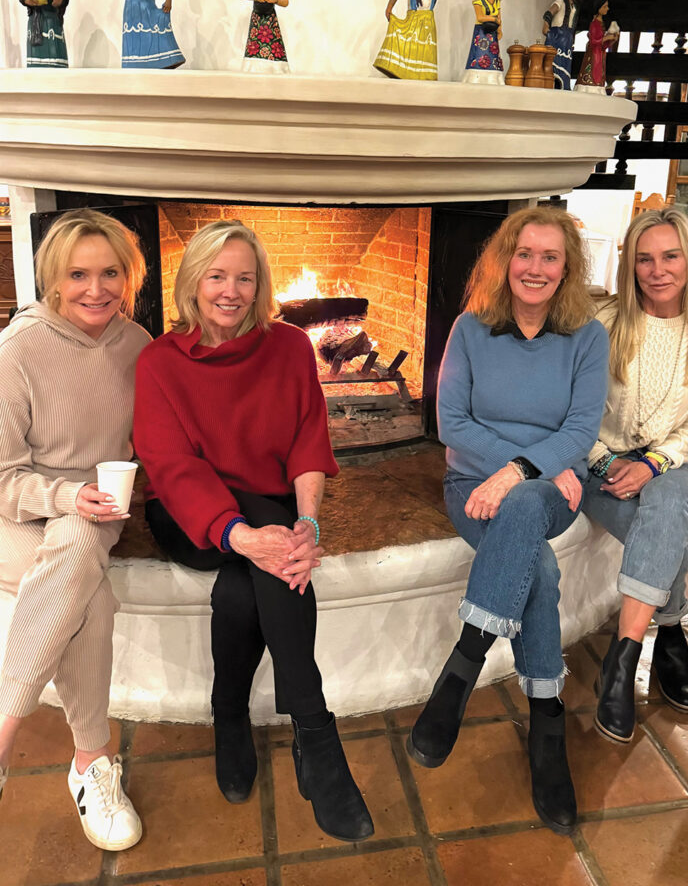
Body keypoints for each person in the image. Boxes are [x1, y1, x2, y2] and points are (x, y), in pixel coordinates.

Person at [133, 220, 373, 842]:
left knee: (245, 589)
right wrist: (246, 535)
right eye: (217, 275)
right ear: (194, 282)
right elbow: (172, 466)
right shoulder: (161, 361)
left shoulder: (291, 346)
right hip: (190, 517)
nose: (230, 291)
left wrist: (308, 524)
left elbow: (307, 440)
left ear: (261, 284)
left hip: (269, 511)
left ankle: (230, 715)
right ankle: (317, 734)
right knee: (260, 551)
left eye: (245, 277)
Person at [408, 207, 609, 835]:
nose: (536, 267)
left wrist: (523, 473)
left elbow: (581, 428)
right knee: (539, 567)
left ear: (567, 268)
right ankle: (547, 723)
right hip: (474, 486)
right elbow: (452, 425)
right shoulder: (470, 329)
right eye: (525, 254)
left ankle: (461, 670)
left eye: (551, 257)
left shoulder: (588, 338)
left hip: (548, 488)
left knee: (523, 506)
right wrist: (523, 467)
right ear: (505, 260)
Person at [0, 209, 149, 850]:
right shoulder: (16, 350)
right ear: (53, 280)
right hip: (20, 514)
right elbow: (2, 476)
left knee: (86, 542)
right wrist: (63, 495)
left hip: (99, 513)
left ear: (129, 276)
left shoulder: (139, 345)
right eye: (78, 274)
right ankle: (90, 761)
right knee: (93, 592)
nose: (96, 289)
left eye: (110, 272)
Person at [582, 208, 688, 744]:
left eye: (671, 256)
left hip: (666, 464)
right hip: (594, 466)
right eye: (644, 258)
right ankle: (670, 632)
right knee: (667, 528)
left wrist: (651, 463)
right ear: (631, 265)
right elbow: (573, 413)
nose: (658, 269)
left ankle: (620, 663)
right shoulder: (602, 325)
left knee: (671, 496)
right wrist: (607, 461)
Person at [462, 0, 507, 86]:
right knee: (480, 56)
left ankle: (493, 79)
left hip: (493, 33)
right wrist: (494, 19)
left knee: (493, 57)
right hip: (481, 31)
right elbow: (480, 17)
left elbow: (499, 16)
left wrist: (499, 28)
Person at [542, 0, 585, 90]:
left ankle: (564, 85)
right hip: (558, 35)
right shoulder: (560, 1)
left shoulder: (574, 4)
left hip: (568, 37)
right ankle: (553, 84)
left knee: (565, 63)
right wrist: (546, 25)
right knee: (556, 61)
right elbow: (550, 12)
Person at [574, 0, 617, 93]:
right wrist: (606, 38)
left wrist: (611, 40)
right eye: (605, 6)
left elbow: (602, 45)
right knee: (591, 74)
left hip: (600, 55)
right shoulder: (594, 23)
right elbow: (593, 41)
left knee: (598, 75)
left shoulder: (602, 23)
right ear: (599, 8)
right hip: (593, 54)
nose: (607, 8)